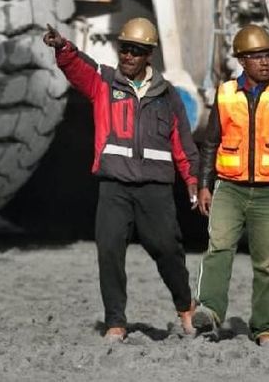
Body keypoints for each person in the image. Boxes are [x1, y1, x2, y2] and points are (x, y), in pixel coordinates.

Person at [43, 18, 199, 342]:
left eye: (135, 51)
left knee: (167, 248)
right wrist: (63, 48)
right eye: (124, 49)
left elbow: (183, 145)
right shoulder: (103, 82)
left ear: (148, 55)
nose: (127, 56)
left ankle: (186, 307)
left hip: (155, 189)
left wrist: (195, 183)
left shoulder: (168, 96)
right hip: (114, 186)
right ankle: (116, 321)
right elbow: (77, 66)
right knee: (109, 249)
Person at [191, 24, 269, 346]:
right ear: (242, 60)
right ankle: (209, 312)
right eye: (257, 56)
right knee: (218, 249)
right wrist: (204, 184)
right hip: (229, 188)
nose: (265, 62)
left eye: (267, 55)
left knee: (268, 263)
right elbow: (211, 142)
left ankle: (265, 328)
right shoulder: (226, 93)